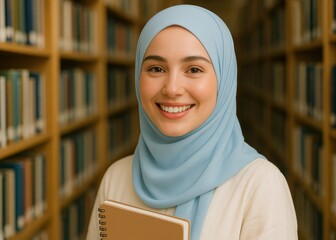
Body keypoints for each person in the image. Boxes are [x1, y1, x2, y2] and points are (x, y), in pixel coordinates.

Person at [86, 4, 297, 240]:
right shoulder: (116, 178)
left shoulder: (260, 186)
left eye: (194, 69)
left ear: (224, 81)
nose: (172, 88)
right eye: (156, 68)